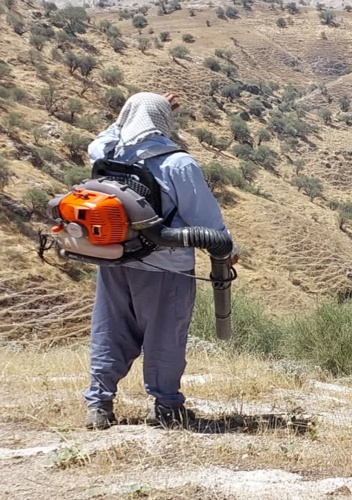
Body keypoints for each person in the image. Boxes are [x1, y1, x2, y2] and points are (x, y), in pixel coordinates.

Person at [83, 92, 233, 429]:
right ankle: (166, 407)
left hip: (116, 260)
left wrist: (128, 116)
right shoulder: (178, 164)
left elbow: (104, 137)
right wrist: (227, 246)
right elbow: (206, 220)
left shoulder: (108, 153)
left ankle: (99, 405)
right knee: (165, 336)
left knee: (110, 332)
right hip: (166, 268)